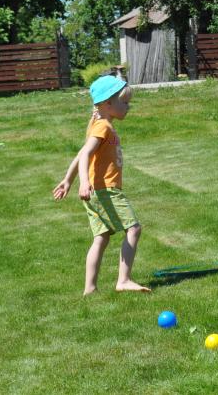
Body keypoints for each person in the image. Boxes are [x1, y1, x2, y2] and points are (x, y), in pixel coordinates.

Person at [53, 75, 150, 295]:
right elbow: (86, 154)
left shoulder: (101, 125)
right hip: (105, 189)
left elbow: (81, 153)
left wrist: (68, 180)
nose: (128, 107)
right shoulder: (103, 127)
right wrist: (83, 182)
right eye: (124, 102)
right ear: (108, 103)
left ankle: (90, 288)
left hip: (97, 191)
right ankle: (123, 280)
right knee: (134, 229)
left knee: (101, 237)